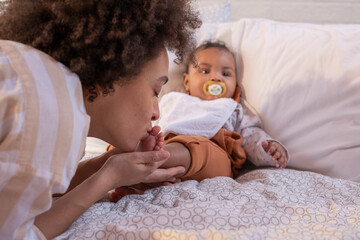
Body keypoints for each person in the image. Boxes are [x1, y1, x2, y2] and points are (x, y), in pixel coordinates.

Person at [0, 0, 201, 239]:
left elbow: (37, 191)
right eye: (155, 92)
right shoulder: (50, 110)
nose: (157, 113)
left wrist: (107, 164)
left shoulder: (36, 77)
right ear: (114, 73)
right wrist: (108, 178)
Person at [109, 41, 289, 201]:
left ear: (235, 84)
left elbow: (251, 135)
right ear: (187, 81)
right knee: (143, 139)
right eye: (204, 71)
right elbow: (153, 124)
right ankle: (138, 181)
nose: (216, 77)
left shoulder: (233, 108)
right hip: (169, 145)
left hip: (214, 156)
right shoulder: (173, 101)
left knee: (197, 147)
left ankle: (149, 158)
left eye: (226, 74)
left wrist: (269, 148)